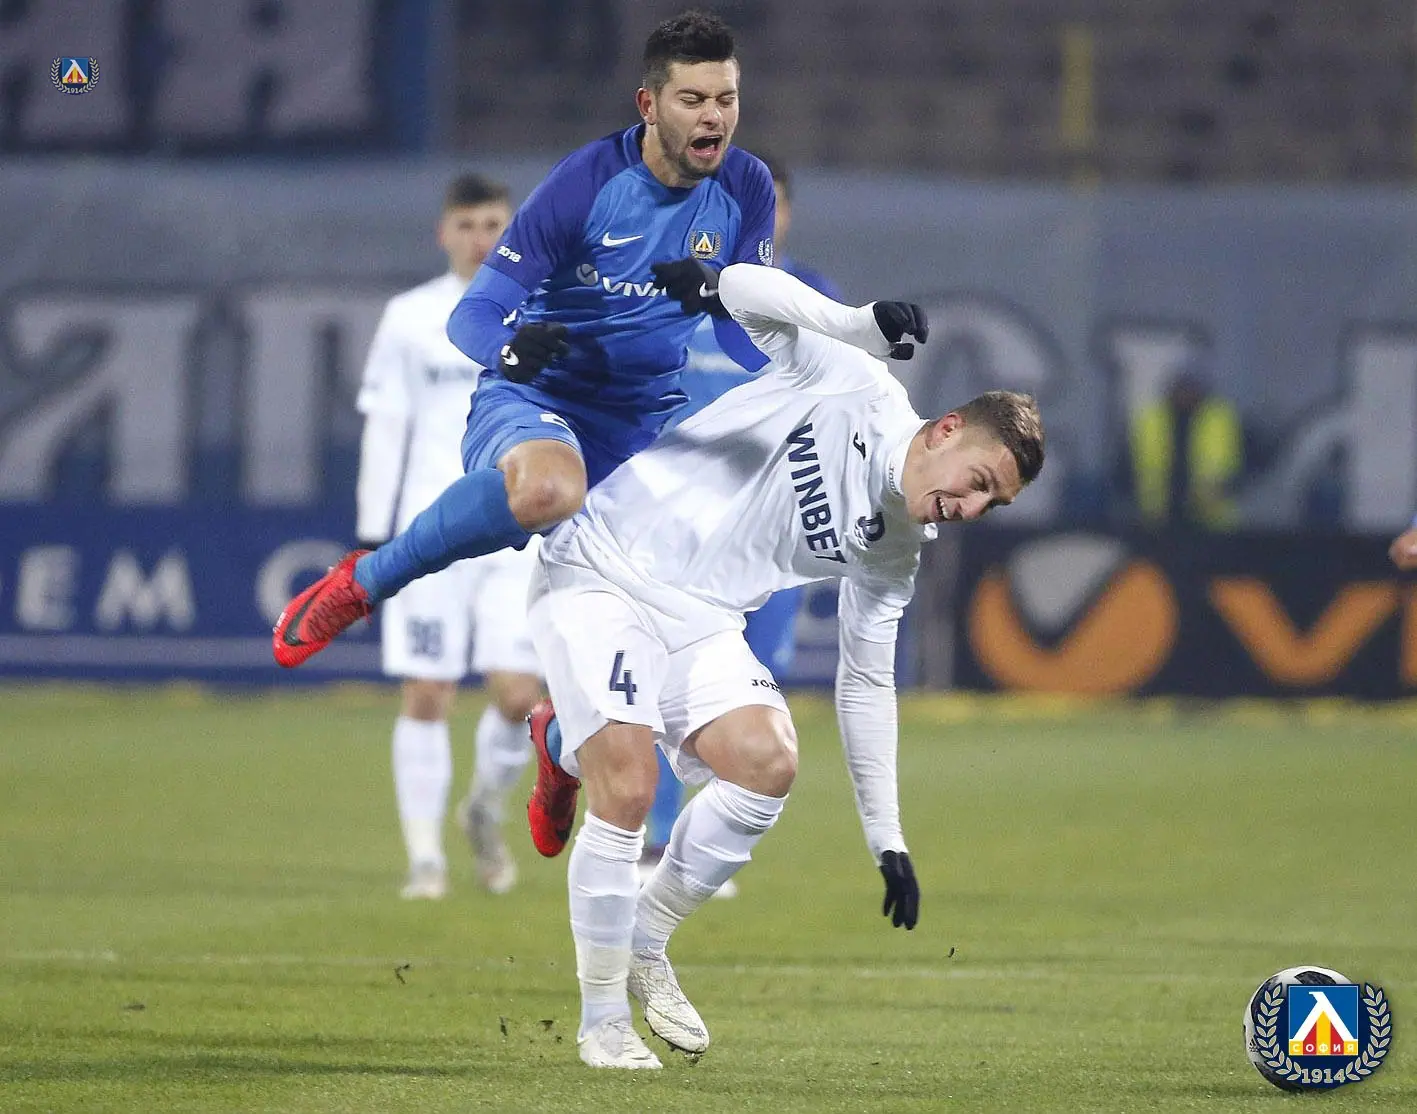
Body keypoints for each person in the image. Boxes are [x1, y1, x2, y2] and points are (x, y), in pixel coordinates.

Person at [522, 259, 1045, 1068]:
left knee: (768, 762)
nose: (970, 509)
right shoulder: (855, 385)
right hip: (605, 560)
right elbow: (739, 290)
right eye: (977, 483)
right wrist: (857, 323)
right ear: (946, 430)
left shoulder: (897, 546)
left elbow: (865, 681)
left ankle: (644, 940)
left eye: (991, 504)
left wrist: (887, 838)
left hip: (700, 618)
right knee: (626, 787)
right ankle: (601, 1023)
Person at [273, 9, 775, 668]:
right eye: (693, 99)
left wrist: (723, 298)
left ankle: (560, 725)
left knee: (688, 601)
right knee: (548, 490)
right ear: (649, 106)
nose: (713, 117)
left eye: (725, 99)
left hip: (644, 421)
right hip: (542, 399)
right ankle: (363, 582)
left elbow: (747, 346)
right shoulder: (586, 183)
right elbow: (473, 315)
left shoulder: (746, 186)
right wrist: (508, 350)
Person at [641, 152, 844, 893]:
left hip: (774, 519)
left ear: (786, 213)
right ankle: (657, 838)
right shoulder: (675, 286)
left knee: (759, 678)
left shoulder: (812, 297)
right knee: (674, 674)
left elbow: (836, 402)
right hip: (683, 517)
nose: (768, 215)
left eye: (778, 203)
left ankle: (697, 838)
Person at [353, 174, 543, 900]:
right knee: (427, 691)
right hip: (428, 534)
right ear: (443, 233)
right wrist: (375, 534)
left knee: (519, 696)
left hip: (514, 530)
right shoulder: (409, 317)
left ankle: (484, 810)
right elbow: (387, 425)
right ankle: (425, 857)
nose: (479, 238)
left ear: (510, 230)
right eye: (466, 225)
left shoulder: (539, 306)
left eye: (492, 224)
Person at [1129, 366, 1243, 529]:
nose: (1185, 394)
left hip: (1211, 523)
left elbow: (1239, 470)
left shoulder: (1220, 419)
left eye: (1190, 388)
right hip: (1159, 519)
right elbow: (1129, 468)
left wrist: (1222, 489)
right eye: (1182, 388)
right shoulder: (1151, 419)